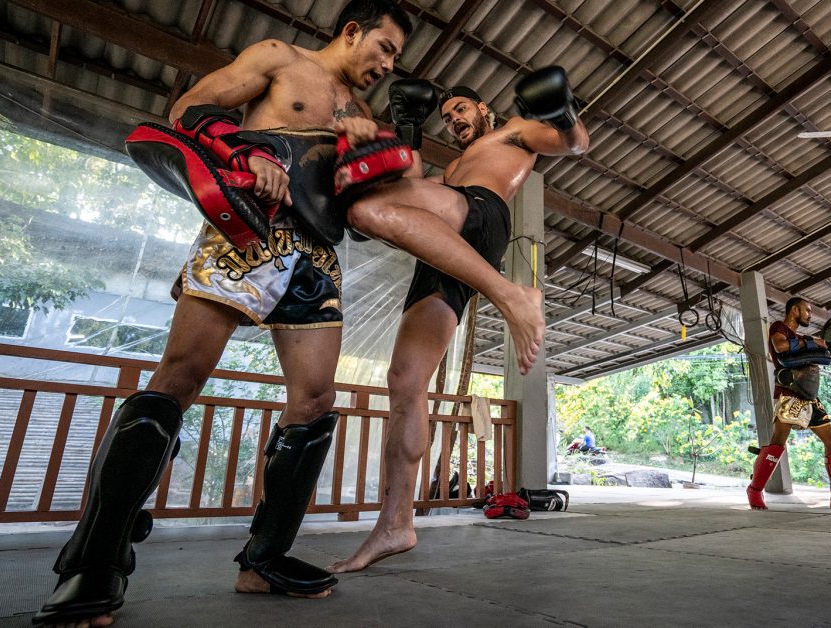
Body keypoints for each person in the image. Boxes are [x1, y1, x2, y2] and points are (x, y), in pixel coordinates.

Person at [33, 2, 414, 625]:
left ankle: (264, 562)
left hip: (316, 254)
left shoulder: (363, 114)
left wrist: (373, 154)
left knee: (316, 403)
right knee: (179, 377)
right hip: (248, 231)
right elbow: (191, 110)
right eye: (386, 48)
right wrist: (246, 154)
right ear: (354, 31)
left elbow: (365, 211)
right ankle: (94, 562)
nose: (389, 64)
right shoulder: (278, 59)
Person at [325, 69, 589, 573]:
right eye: (446, 118)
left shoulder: (512, 130)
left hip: (481, 215)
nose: (454, 122)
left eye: (460, 111)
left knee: (363, 210)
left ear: (483, 108)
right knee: (405, 382)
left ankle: (513, 295)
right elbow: (409, 185)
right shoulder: (452, 170)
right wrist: (407, 128)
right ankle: (396, 525)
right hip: (446, 248)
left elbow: (574, 145)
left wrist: (564, 114)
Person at [746, 297, 831, 510]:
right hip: (789, 394)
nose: (810, 315)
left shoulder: (800, 336)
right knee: (778, 442)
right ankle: (754, 490)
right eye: (807, 311)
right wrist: (811, 341)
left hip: (810, 396)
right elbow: (781, 346)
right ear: (795, 310)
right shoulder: (779, 327)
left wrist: (819, 344)